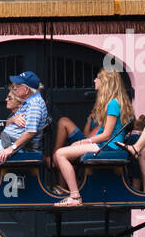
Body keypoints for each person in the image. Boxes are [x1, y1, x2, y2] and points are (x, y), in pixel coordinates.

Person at [52, 68, 132, 206]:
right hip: (106, 145)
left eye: (97, 78)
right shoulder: (114, 102)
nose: (95, 80)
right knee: (66, 151)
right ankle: (75, 189)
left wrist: (84, 141)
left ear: (106, 82)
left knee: (60, 154)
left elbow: (106, 135)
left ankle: (75, 196)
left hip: (109, 147)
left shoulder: (113, 103)